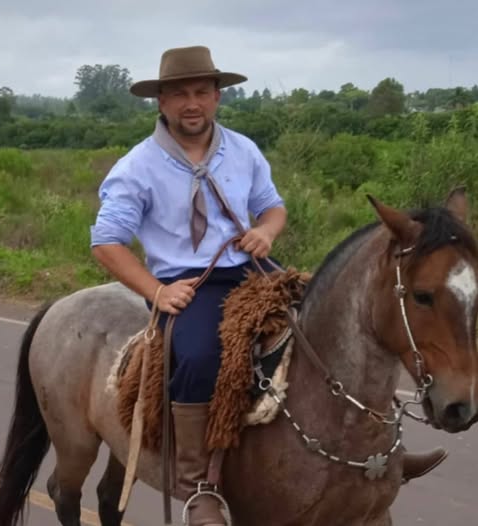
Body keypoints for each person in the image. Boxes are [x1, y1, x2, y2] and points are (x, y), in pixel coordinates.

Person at [91, 46, 447, 526]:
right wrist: (156, 291)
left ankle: (378, 452)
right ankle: (201, 485)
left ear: (217, 97)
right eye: (179, 95)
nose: (191, 103)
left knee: (344, 330)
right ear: (161, 103)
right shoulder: (137, 167)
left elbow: (272, 207)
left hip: (254, 269)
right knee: (196, 356)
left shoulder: (242, 150)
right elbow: (106, 243)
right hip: (188, 282)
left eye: (201, 92)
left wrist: (266, 231)